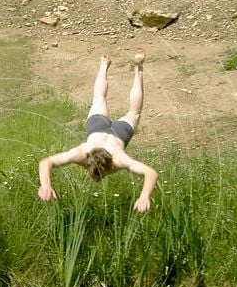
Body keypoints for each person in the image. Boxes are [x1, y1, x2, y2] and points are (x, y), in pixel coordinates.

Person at [38, 50, 158, 213]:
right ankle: (136, 67)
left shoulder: (116, 159)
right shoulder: (84, 154)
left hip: (106, 130)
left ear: (111, 164)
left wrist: (145, 196)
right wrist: (46, 185)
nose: (96, 179)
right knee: (125, 108)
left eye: (99, 175)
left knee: (113, 104)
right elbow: (45, 163)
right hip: (109, 131)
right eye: (96, 175)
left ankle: (108, 65)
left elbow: (151, 173)